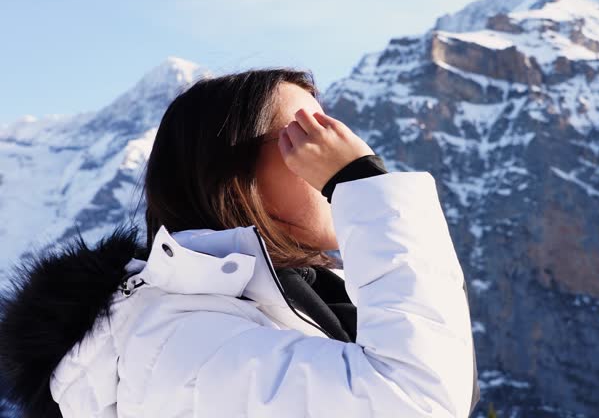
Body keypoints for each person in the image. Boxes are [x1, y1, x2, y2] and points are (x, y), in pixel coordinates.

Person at [0, 68, 480, 417]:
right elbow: (418, 401)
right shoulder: (180, 342)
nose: (340, 146)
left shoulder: (275, 309)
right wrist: (359, 183)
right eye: (304, 132)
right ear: (233, 175)